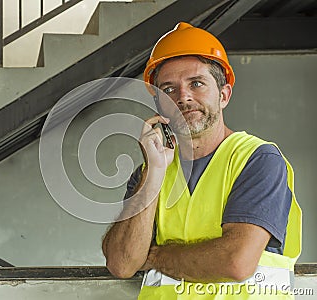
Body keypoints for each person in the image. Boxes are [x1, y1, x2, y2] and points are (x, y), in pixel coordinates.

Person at [102, 22, 302, 299]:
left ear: (223, 95)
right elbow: (122, 263)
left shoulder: (257, 160)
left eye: (196, 84)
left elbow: (236, 261)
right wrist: (154, 173)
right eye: (168, 89)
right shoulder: (150, 170)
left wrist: (155, 257)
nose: (183, 97)